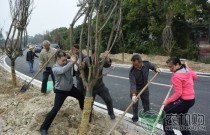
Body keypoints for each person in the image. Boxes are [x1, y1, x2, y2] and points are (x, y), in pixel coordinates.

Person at [40, 51, 84, 135]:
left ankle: (82, 108)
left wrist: (74, 56)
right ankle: (43, 128)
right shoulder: (55, 68)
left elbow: (74, 60)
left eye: (65, 60)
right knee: (55, 109)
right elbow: (63, 70)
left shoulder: (67, 62)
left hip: (70, 88)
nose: (65, 62)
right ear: (57, 59)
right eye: (63, 60)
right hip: (61, 91)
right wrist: (71, 62)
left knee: (81, 97)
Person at [163, 57, 197, 135]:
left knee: (165, 112)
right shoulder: (186, 69)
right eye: (169, 67)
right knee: (181, 118)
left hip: (184, 100)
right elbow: (195, 77)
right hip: (191, 100)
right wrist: (188, 67)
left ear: (177, 64)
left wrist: (167, 101)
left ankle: (169, 133)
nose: (170, 69)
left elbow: (178, 93)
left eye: (171, 67)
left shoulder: (177, 76)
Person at [83, 49, 115, 121]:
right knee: (89, 105)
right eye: (95, 55)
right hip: (90, 88)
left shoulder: (100, 60)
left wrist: (107, 59)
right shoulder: (86, 60)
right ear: (92, 54)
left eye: (98, 55)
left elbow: (108, 65)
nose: (97, 57)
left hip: (100, 86)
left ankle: (111, 113)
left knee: (108, 99)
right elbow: (81, 68)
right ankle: (88, 119)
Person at [129, 54, 161, 122]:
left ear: (141, 62)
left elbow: (153, 66)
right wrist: (134, 95)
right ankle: (135, 118)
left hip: (145, 87)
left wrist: (156, 68)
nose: (135, 66)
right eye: (134, 65)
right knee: (134, 104)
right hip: (136, 89)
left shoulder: (146, 64)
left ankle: (147, 116)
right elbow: (133, 84)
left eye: (136, 65)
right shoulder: (132, 71)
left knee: (146, 103)